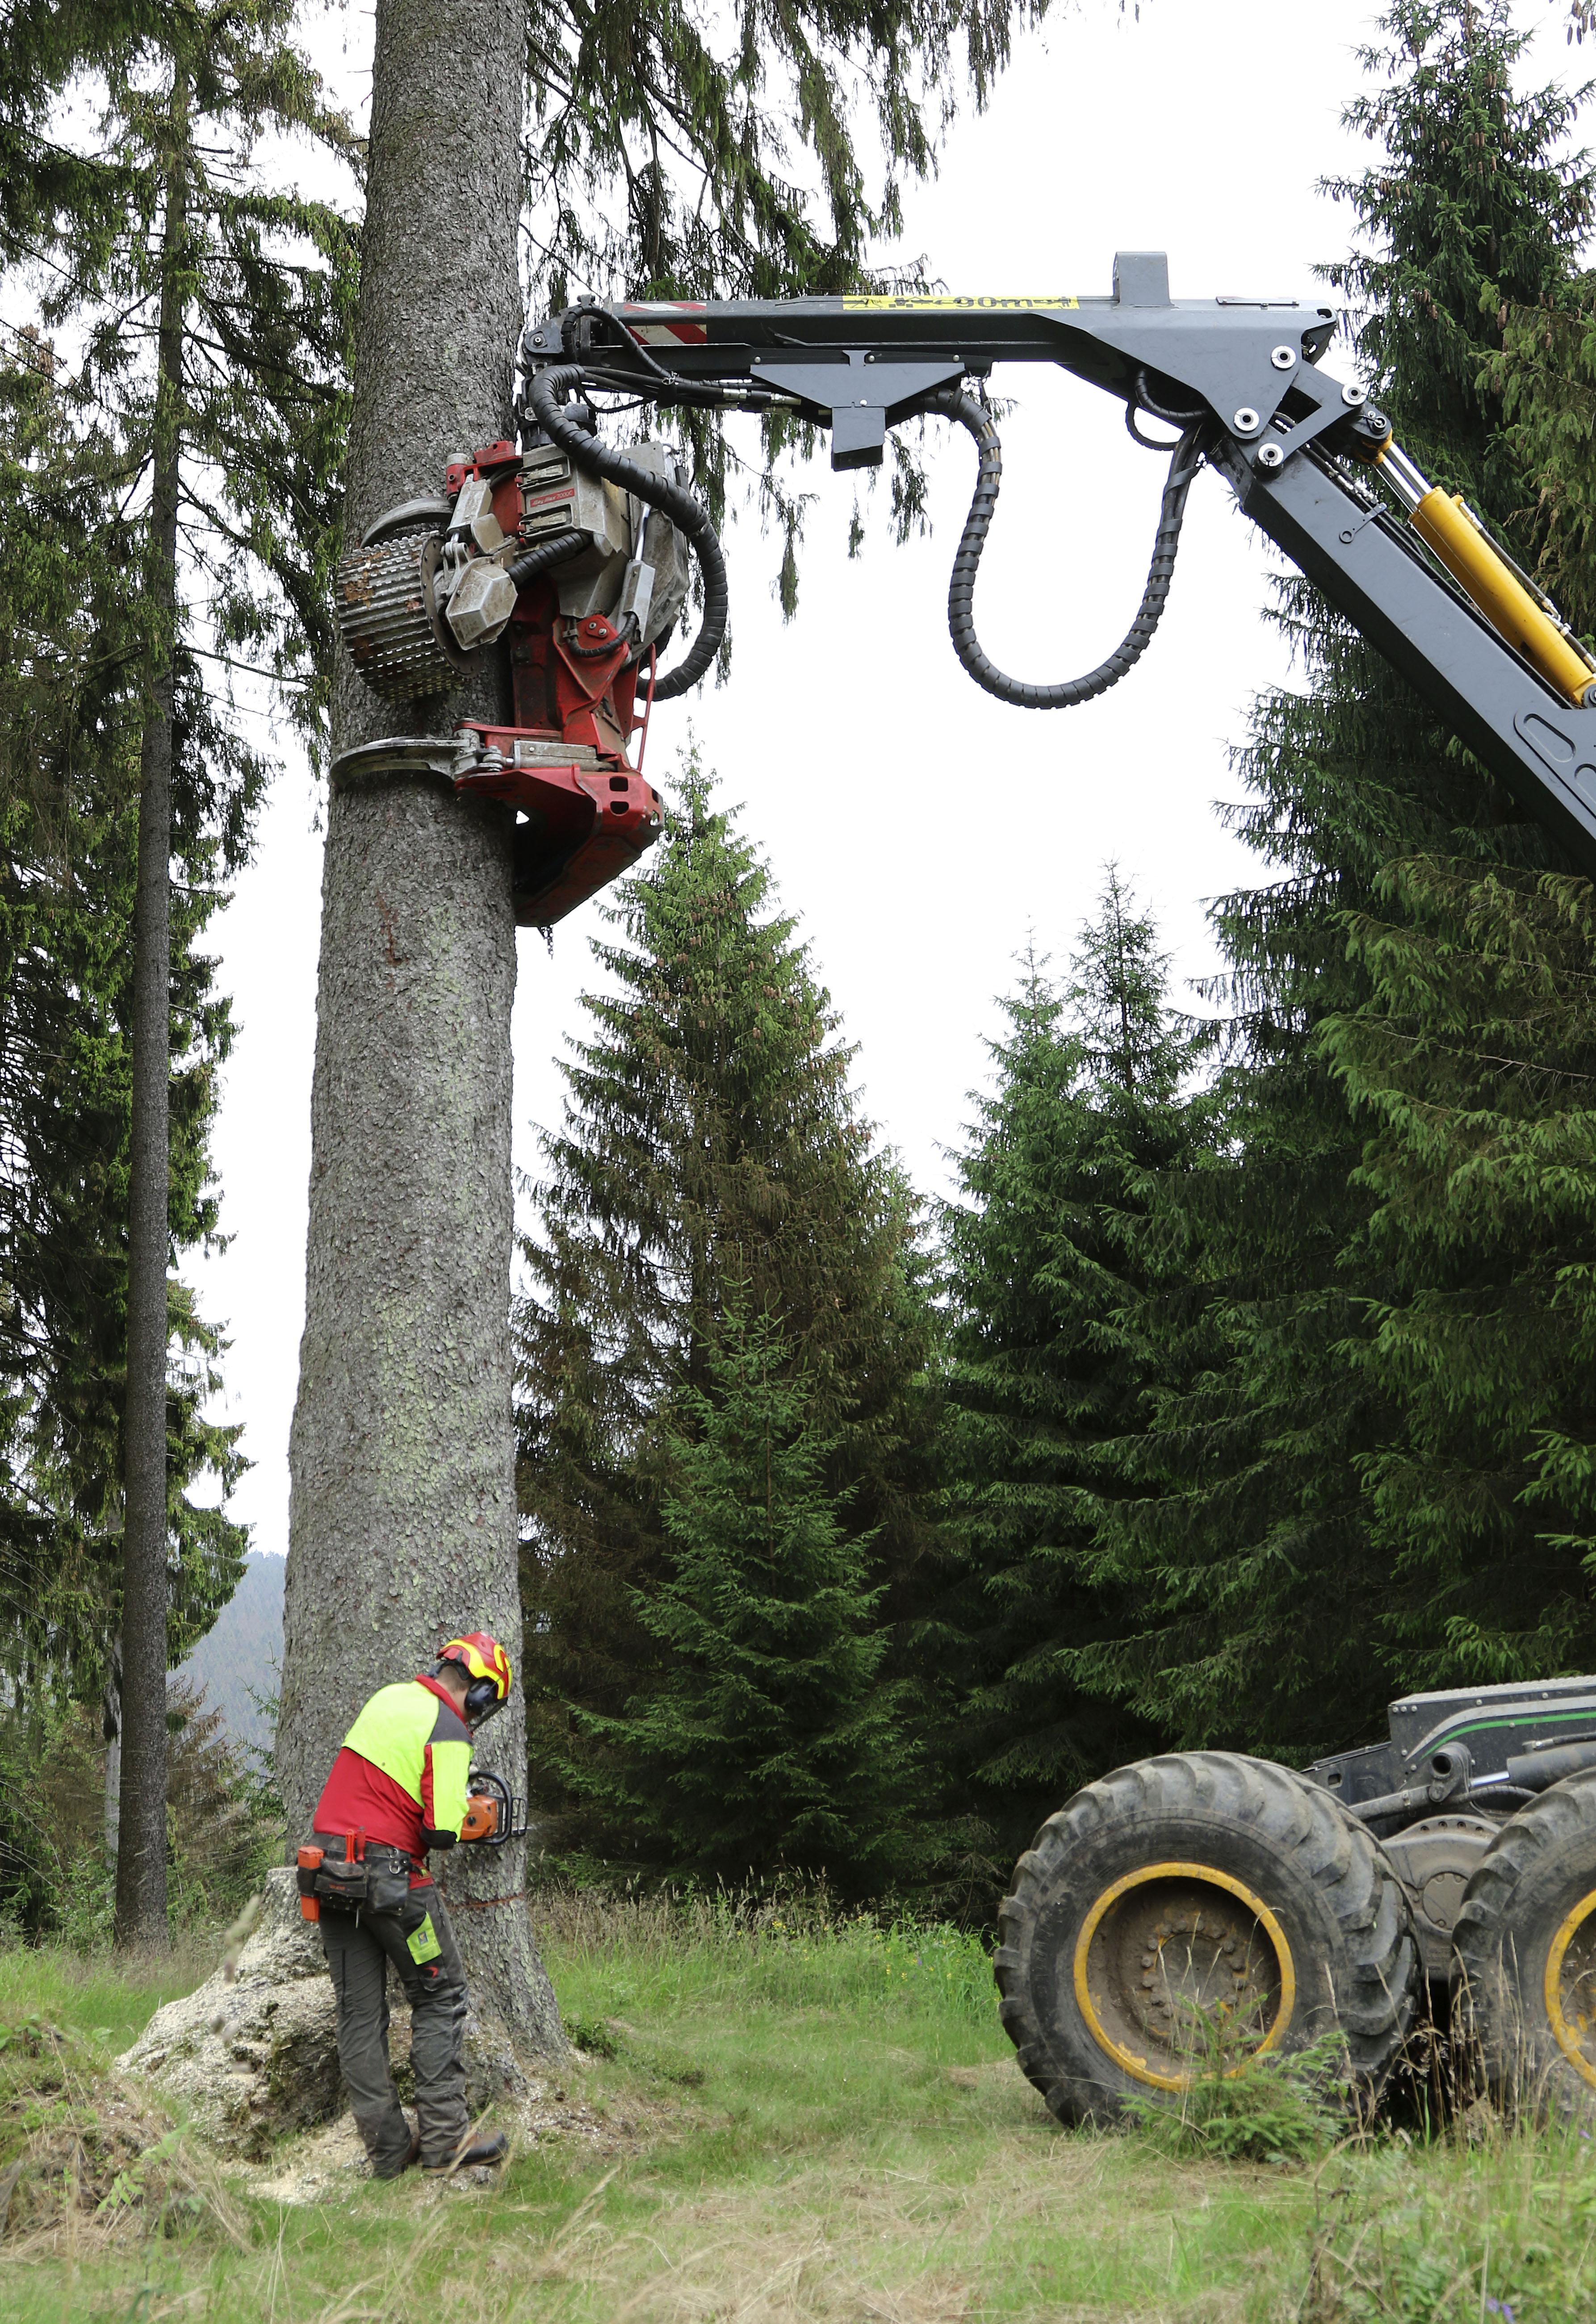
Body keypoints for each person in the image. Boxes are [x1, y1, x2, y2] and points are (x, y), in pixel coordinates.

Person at [307, 1631, 515, 2177]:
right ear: (481, 1694)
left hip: (328, 1871)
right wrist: (469, 1814)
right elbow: (441, 1830)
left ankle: (388, 2150)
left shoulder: (389, 1697)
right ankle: (447, 2141)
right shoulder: (449, 1728)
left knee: (358, 2014)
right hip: (391, 1880)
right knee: (440, 1995)